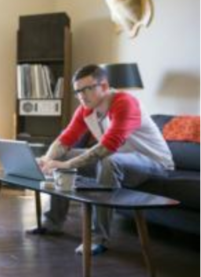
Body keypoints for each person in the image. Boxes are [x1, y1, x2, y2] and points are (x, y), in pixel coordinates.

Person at [27, 64, 173, 255]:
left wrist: (65, 165)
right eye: (77, 91)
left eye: (87, 89)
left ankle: (98, 238)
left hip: (154, 163)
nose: (81, 96)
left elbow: (107, 147)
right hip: (119, 158)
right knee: (62, 154)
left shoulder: (125, 103)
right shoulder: (86, 109)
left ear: (104, 86)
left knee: (109, 161)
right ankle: (52, 222)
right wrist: (47, 159)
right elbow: (66, 139)